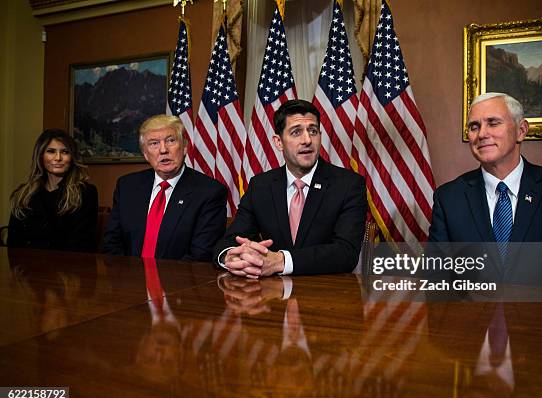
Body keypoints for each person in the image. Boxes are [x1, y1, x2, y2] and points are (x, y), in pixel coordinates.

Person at [214, 99, 367, 278]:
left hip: (325, 294)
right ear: (278, 142)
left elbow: (346, 253)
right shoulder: (261, 185)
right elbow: (230, 240)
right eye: (296, 132)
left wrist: (281, 261)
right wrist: (232, 256)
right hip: (270, 297)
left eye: (313, 131)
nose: (307, 140)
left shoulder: (348, 184)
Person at [428, 92, 542, 243]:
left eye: (493, 123)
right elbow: (436, 277)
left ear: (521, 130)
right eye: (474, 127)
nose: (482, 134)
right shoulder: (448, 199)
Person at [103, 114, 227, 261]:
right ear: (145, 154)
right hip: (129, 279)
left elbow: (201, 255)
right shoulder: (127, 186)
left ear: (185, 147)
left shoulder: (210, 192)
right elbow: (111, 243)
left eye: (171, 140)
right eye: (154, 143)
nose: (163, 150)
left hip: (179, 281)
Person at [8, 129, 98, 252]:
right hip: (28, 267)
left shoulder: (85, 193)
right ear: (40, 155)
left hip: (69, 268)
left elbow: (84, 245)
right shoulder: (23, 194)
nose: (58, 158)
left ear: (72, 157)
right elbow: (13, 244)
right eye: (51, 151)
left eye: (65, 152)